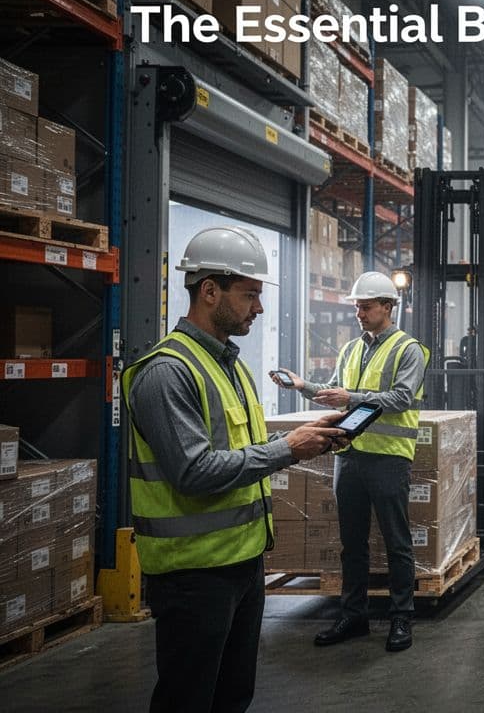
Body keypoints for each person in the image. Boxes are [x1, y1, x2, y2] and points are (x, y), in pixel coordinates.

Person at [124, 226, 346, 713]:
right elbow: (194, 471)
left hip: (242, 565)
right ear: (209, 291)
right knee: (188, 700)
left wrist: (304, 438)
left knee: (232, 697)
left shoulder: (229, 365)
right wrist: (288, 449)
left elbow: (240, 446)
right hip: (193, 574)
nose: (259, 309)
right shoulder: (167, 372)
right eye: (249, 296)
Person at [275, 271, 430, 652]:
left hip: (388, 459)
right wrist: (302, 386)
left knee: (397, 541)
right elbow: (335, 394)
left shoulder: (409, 349)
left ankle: (400, 618)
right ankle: (353, 615)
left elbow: (402, 399)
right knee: (352, 543)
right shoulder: (350, 350)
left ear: (387, 307)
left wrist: (352, 397)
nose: (359, 312)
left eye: (366, 306)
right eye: (357, 306)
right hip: (349, 455)